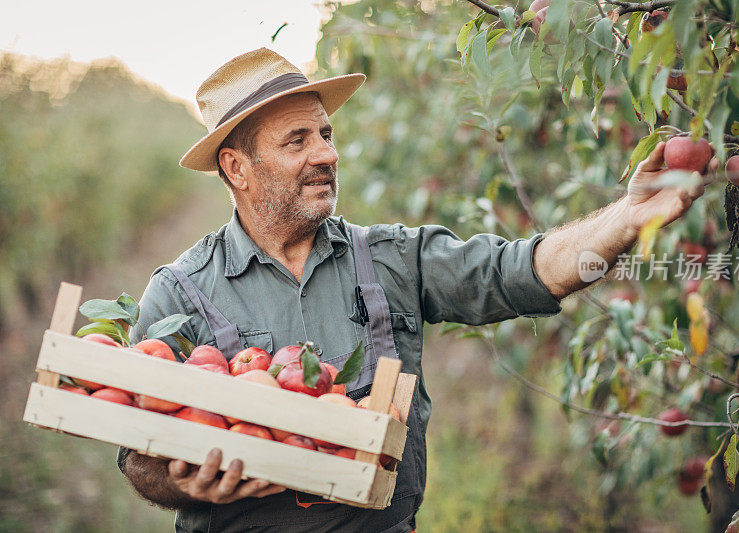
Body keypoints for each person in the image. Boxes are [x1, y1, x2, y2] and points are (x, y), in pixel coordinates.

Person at [116, 48, 708, 532]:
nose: (327, 153)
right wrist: (179, 481)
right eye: (296, 141)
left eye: (325, 133)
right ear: (237, 168)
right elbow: (136, 458)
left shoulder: (392, 259)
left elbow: (522, 272)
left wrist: (627, 218)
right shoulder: (178, 295)